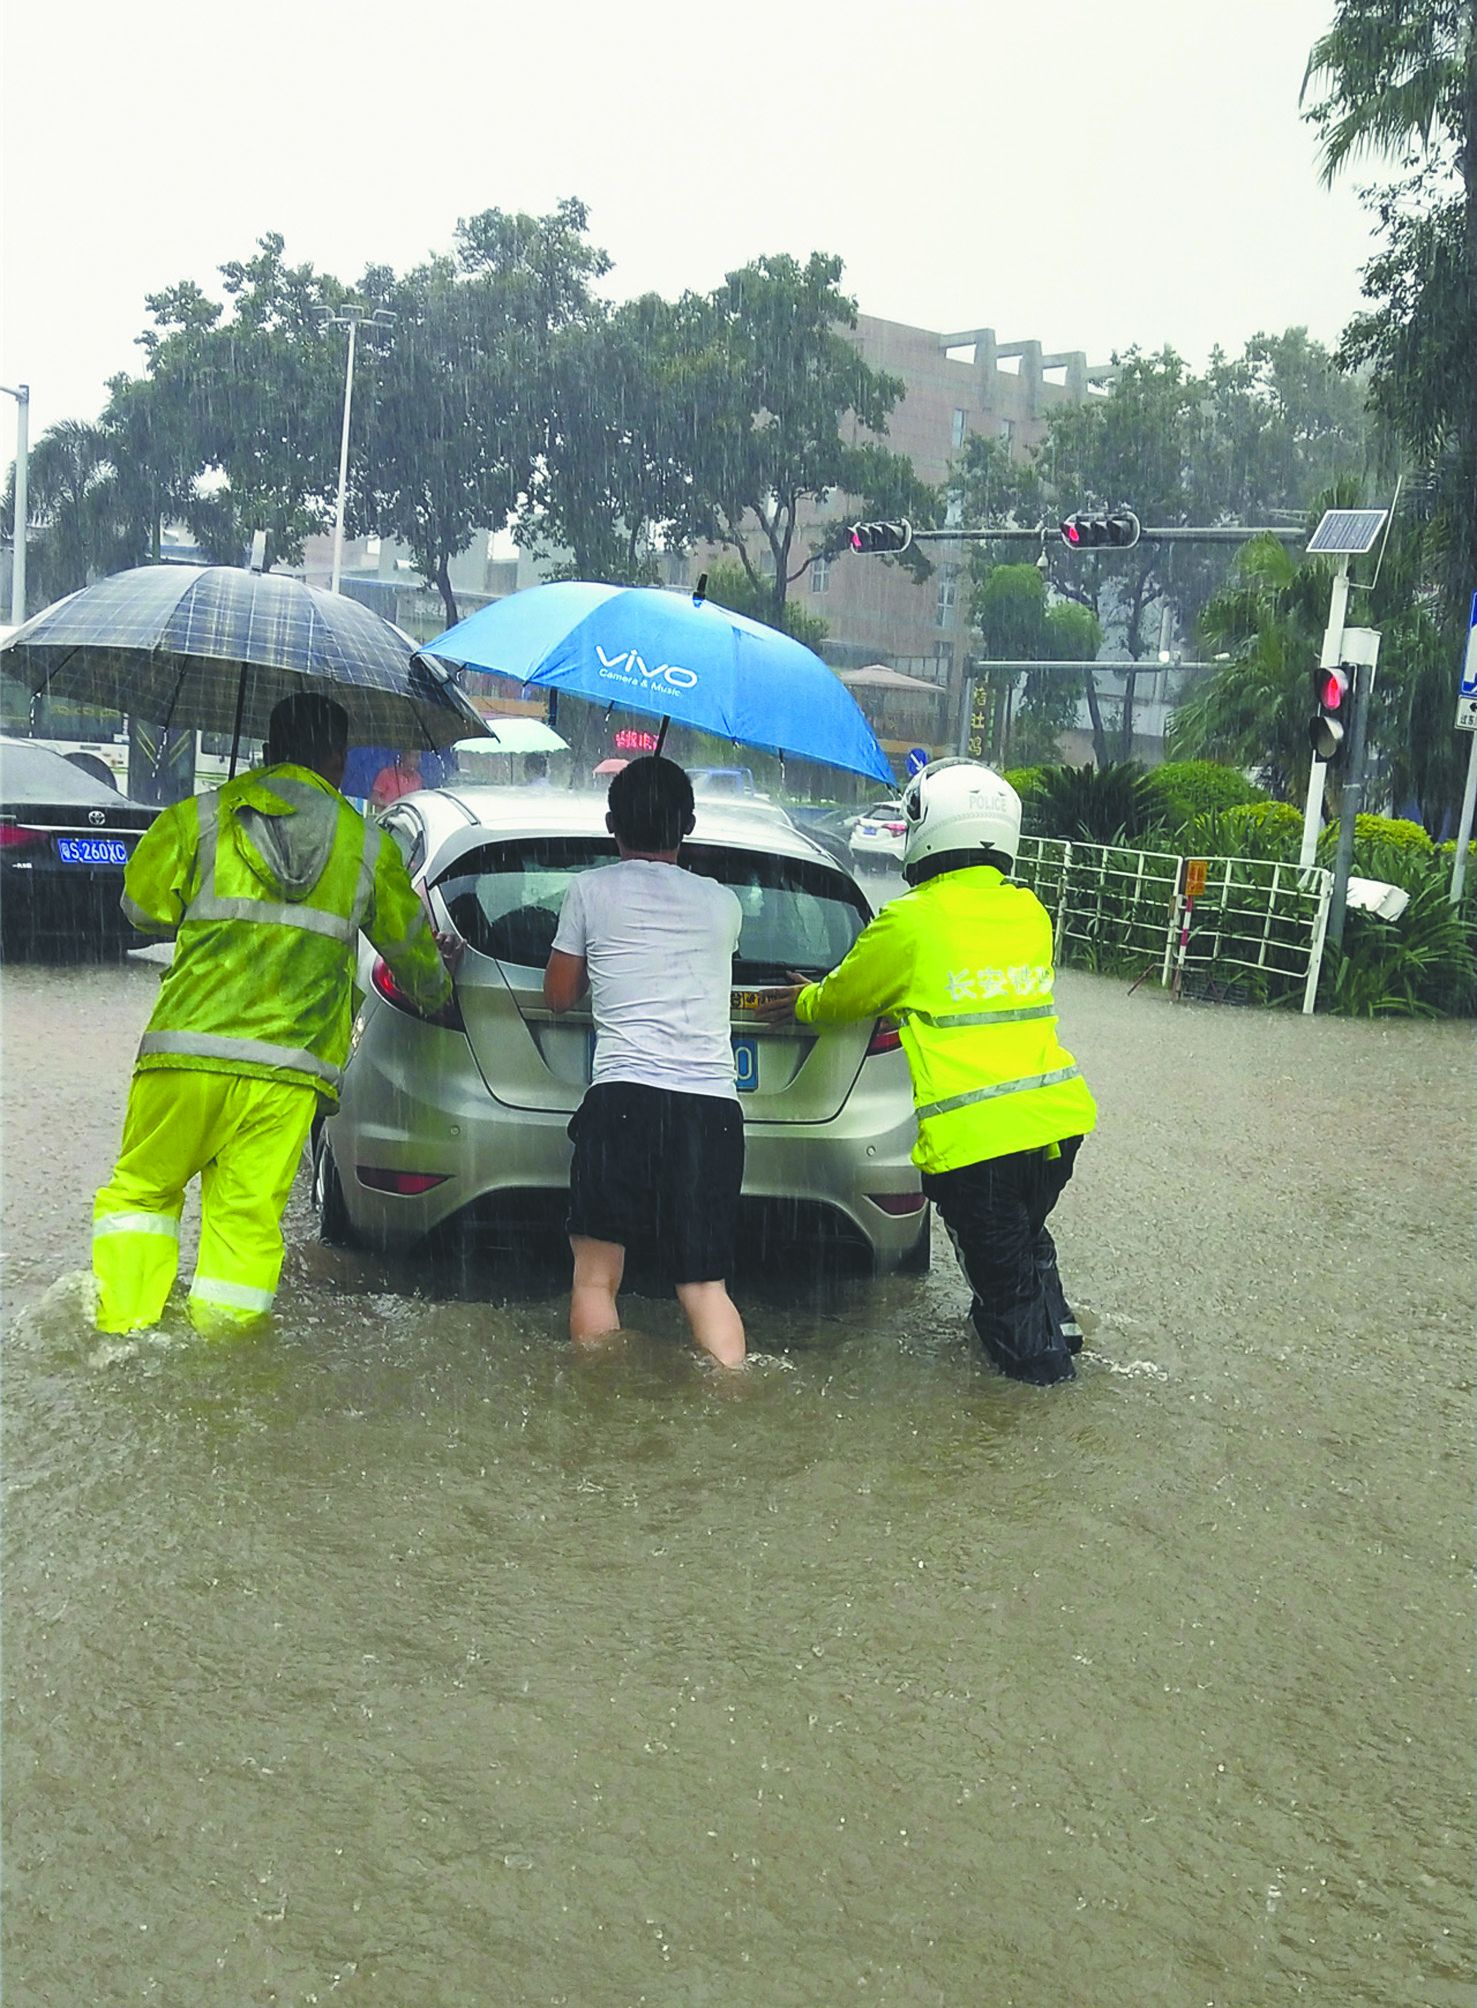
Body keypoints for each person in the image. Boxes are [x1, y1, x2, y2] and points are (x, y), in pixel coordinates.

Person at [92, 693, 457, 1337]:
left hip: (185, 1054)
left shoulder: (200, 818)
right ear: (338, 759)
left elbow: (142, 910)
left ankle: (122, 1332)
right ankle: (222, 1356)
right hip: (288, 1074)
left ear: (266, 748)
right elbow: (412, 958)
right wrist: (436, 990)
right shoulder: (367, 846)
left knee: (143, 1196)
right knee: (245, 1223)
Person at [759, 759, 1096, 1386]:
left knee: (1010, 1312)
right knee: (1024, 1245)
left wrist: (801, 1002)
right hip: (1054, 1132)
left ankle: (1045, 1410)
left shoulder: (909, 921)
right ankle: (1064, 1334)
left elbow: (844, 997)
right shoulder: (1028, 912)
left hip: (977, 1150)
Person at [543, 755, 747, 1368]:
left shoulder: (590, 890)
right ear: (687, 825)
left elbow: (558, 996)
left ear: (612, 824)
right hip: (711, 1113)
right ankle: (732, 1395)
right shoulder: (724, 904)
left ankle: (601, 1408)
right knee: (704, 1285)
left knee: (596, 1278)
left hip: (624, 1101)